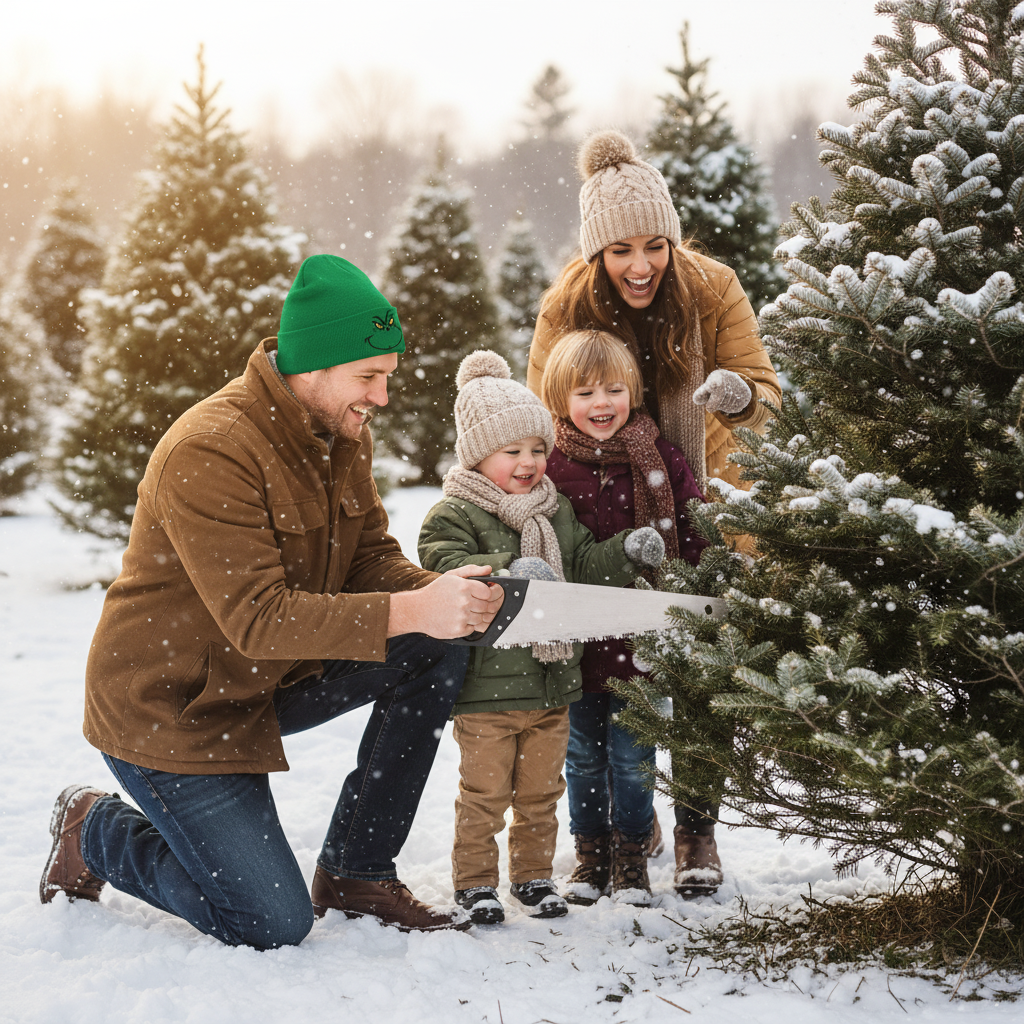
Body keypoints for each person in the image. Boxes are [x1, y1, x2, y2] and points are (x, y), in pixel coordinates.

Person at [39, 254, 506, 948]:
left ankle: (357, 871)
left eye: (387, 378)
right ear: (314, 366)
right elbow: (259, 619)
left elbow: (369, 557)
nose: (380, 397)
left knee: (438, 644)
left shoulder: (338, 432)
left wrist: (442, 597)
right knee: (268, 922)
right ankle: (93, 829)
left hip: (268, 680)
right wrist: (416, 611)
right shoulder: (211, 450)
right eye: (368, 377)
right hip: (177, 711)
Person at [527, 129, 782, 897]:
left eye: (654, 245)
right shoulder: (566, 305)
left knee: (701, 671)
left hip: (701, 506)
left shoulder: (712, 289)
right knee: (605, 681)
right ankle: (617, 830)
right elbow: (540, 419)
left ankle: (698, 829)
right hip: (604, 514)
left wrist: (739, 399)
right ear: (596, 254)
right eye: (620, 251)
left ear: (672, 239)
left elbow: (765, 392)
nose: (640, 265)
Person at [417, 350, 666, 925]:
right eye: (512, 452)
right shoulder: (451, 514)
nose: (529, 462)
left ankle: (532, 878)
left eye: (536, 449)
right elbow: (445, 566)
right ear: (478, 456)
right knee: (483, 798)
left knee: (539, 796)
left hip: (552, 689)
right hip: (488, 694)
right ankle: (476, 884)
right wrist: (509, 572)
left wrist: (625, 549)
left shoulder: (554, 514)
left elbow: (581, 564)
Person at [540, 329, 707, 905]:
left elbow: (691, 529)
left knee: (635, 757)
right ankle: (591, 853)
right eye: (585, 392)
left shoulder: (659, 457)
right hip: (575, 642)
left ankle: (632, 852)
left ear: (632, 391)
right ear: (560, 399)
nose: (602, 404)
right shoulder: (551, 466)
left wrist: (699, 586)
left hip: (643, 639)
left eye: (613, 389)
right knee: (582, 755)